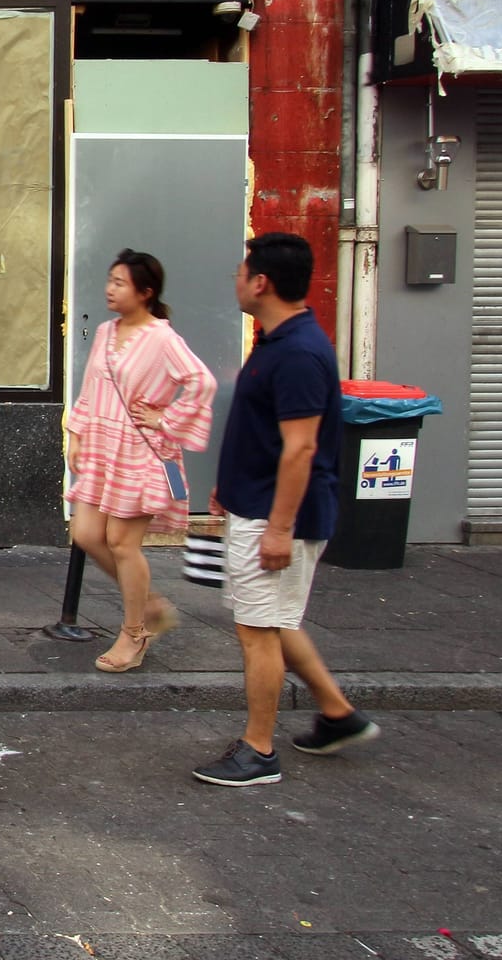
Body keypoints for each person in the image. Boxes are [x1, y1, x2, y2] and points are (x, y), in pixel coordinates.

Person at [193, 233, 378, 787]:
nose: (235, 280)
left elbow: (300, 448)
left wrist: (277, 529)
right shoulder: (280, 341)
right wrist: (230, 487)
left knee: (258, 631)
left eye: (240, 271)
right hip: (258, 506)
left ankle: (258, 750)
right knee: (273, 621)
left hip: (278, 517)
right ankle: (337, 714)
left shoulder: (297, 352)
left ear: (261, 282)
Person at [66, 250, 217, 672]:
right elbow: (90, 385)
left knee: (121, 542)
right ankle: (148, 604)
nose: (109, 288)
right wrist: (76, 434)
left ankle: (135, 633)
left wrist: (165, 419)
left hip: (141, 451)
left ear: (145, 292)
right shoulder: (104, 331)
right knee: (86, 532)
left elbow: (201, 381)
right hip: (102, 446)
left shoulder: (162, 338)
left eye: (119, 282)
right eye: (110, 280)